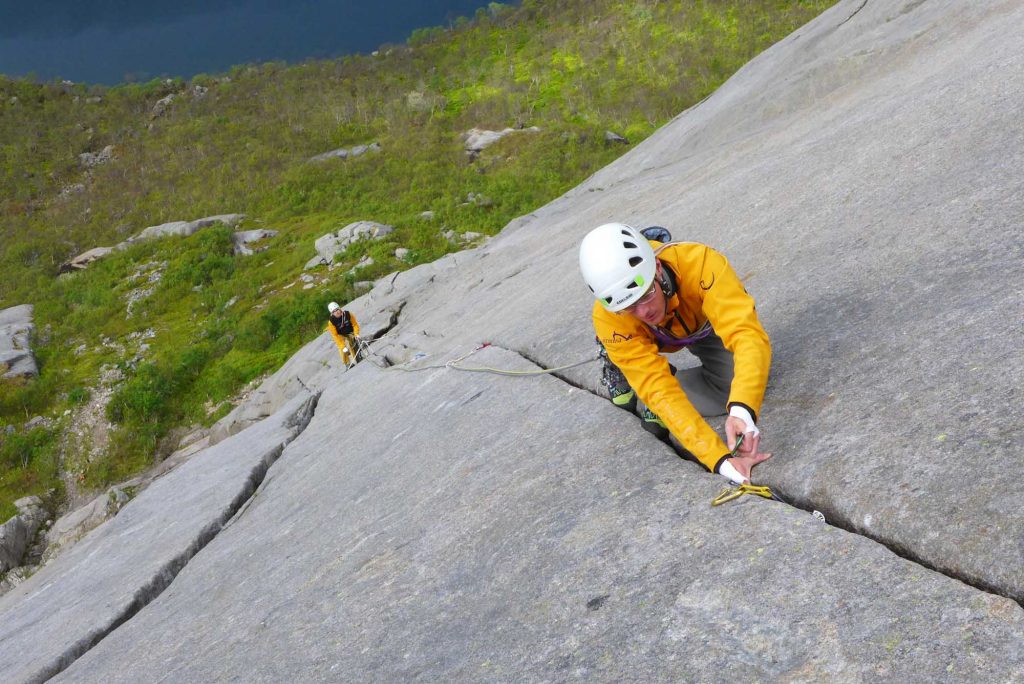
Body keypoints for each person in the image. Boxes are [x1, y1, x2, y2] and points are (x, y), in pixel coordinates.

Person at [578, 222, 772, 484]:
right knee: (652, 392)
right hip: (642, 337)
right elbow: (656, 387)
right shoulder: (611, 319)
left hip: (699, 321)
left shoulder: (701, 263)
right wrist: (719, 460)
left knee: (736, 385)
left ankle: (656, 391)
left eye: (646, 295)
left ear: (657, 267)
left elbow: (746, 334)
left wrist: (742, 409)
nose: (644, 312)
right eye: (629, 307)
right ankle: (619, 360)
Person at [326, 302, 360, 368]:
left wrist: (356, 334)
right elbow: (335, 335)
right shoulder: (331, 322)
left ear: (339, 308)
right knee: (342, 349)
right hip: (340, 335)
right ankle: (347, 363)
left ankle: (357, 357)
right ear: (332, 313)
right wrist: (343, 346)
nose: (337, 312)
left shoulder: (348, 314)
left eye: (337, 309)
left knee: (353, 341)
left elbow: (355, 324)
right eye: (334, 311)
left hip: (350, 332)